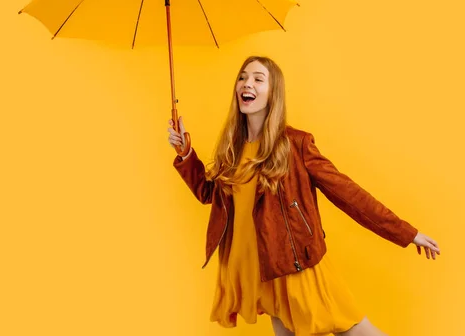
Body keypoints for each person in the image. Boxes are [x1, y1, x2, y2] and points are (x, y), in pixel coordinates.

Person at [167, 56, 441, 336]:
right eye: (242, 77)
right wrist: (185, 154)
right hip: (264, 268)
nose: (247, 83)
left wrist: (407, 233)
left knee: (356, 332)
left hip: (298, 265)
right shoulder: (234, 149)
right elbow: (210, 194)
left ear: (274, 93)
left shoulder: (295, 144)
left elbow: (348, 194)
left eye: (258, 79)